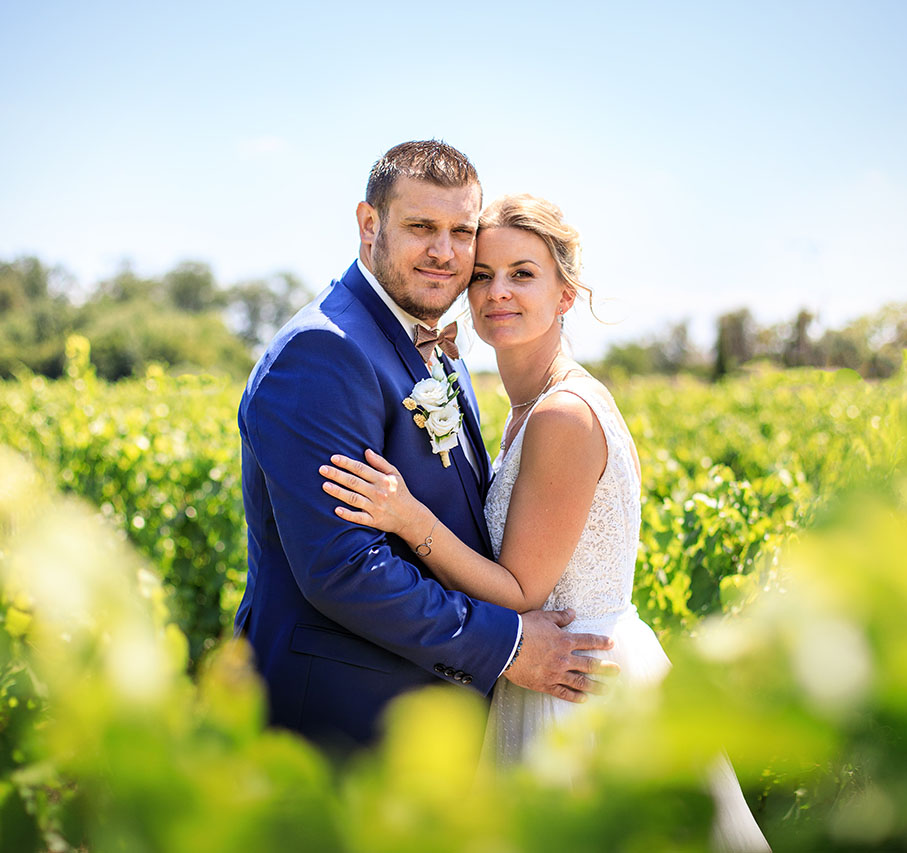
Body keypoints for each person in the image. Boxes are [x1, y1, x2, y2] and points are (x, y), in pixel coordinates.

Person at [322, 193, 770, 850]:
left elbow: (523, 590)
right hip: (544, 670)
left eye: (522, 273)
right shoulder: (522, 407)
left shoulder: (562, 414)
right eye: (483, 275)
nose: (497, 291)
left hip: (578, 688)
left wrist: (406, 515)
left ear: (565, 294)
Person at [233, 141, 618, 751]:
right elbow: (344, 569)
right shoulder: (324, 352)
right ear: (369, 225)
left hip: (433, 724)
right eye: (421, 227)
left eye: (461, 231)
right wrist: (508, 645)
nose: (445, 253)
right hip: (343, 724)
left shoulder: (439, 347)